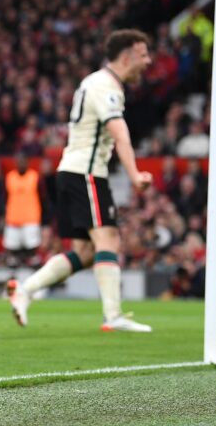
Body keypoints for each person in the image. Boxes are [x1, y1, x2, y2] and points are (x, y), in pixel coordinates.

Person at [9, 29, 154, 332]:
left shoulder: (96, 82)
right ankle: (112, 316)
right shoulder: (105, 86)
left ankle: (25, 289)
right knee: (108, 239)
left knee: (85, 253)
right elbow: (120, 134)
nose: (148, 61)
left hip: (72, 171)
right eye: (143, 55)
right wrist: (134, 175)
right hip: (86, 174)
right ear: (126, 57)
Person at [3, 153, 41, 267]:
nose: (20, 164)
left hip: (31, 218)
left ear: (27, 162)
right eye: (18, 161)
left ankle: (33, 261)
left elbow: (43, 197)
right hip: (13, 218)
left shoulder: (34, 177)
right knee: (12, 245)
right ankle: (13, 263)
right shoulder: (10, 177)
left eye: (23, 161)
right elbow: (4, 196)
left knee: (32, 244)